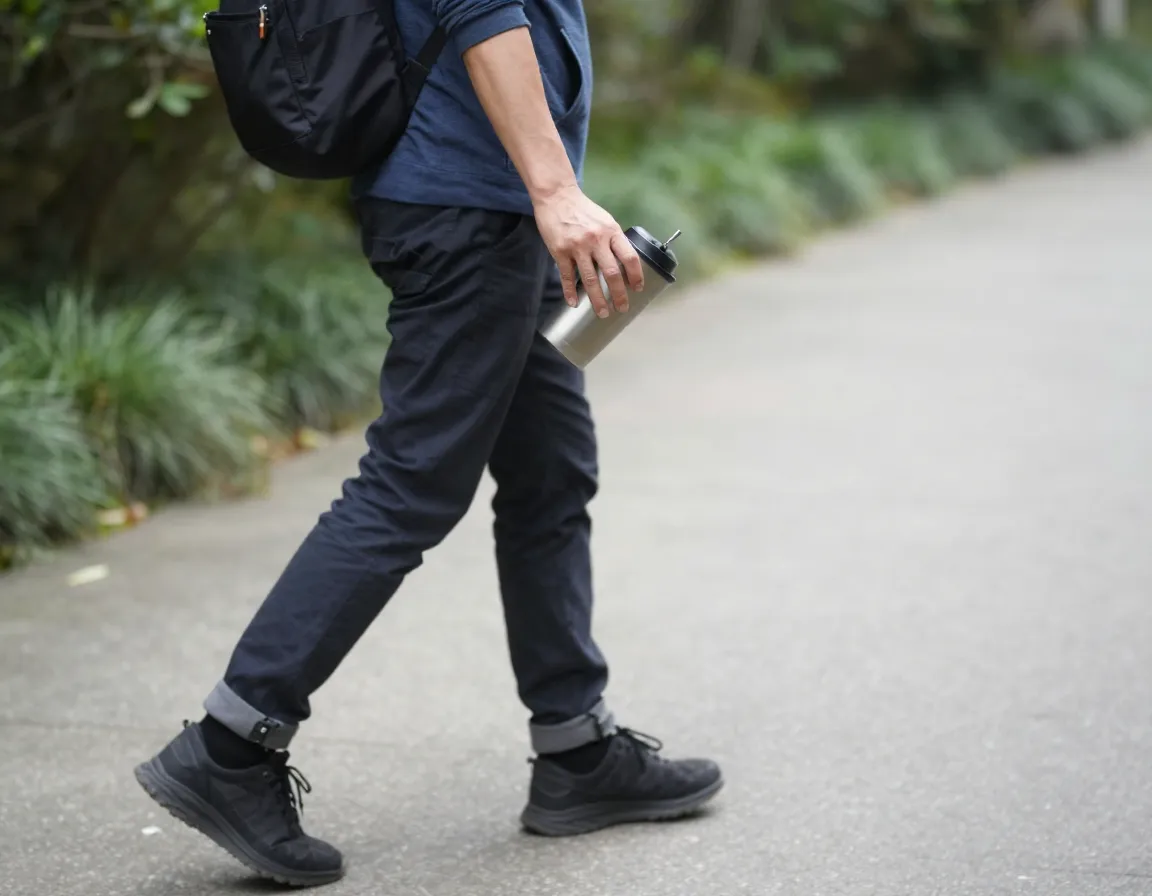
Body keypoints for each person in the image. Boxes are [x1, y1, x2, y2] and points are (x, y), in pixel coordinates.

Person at [134, 0, 722, 886]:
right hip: (469, 209)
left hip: (495, 206)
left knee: (550, 474)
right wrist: (556, 191)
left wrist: (544, 193)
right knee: (411, 484)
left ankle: (577, 750)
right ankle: (231, 744)